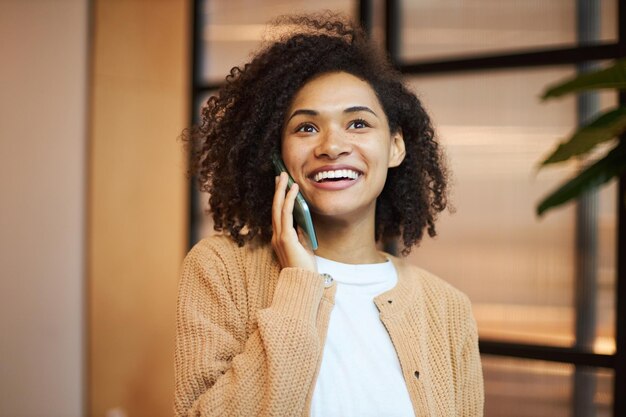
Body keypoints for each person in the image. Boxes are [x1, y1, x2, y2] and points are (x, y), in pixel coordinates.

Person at [175, 14, 483, 417]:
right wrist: (299, 286)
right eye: (305, 128)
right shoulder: (220, 270)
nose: (332, 146)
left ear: (395, 147)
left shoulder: (447, 308)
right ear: (276, 155)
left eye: (357, 123)